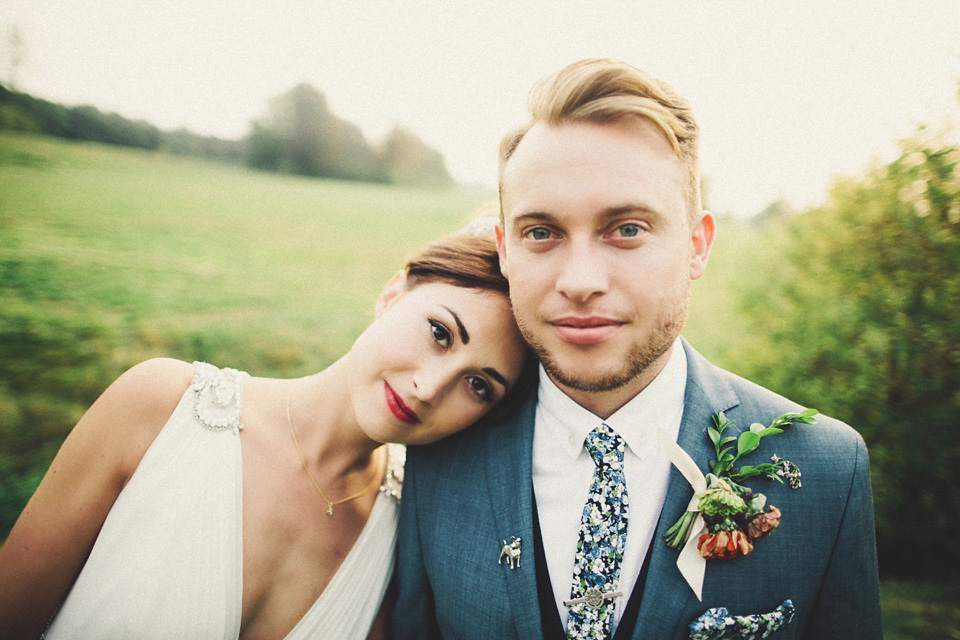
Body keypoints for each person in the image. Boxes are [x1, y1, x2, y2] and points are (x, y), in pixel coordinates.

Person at [390, 58, 882, 639]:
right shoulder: (440, 449)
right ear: (504, 251)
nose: (579, 280)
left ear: (696, 246)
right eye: (541, 232)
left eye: (626, 229)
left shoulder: (828, 469)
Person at [0, 227, 534, 640]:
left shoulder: (403, 534)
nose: (428, 387)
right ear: (393, 294)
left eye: (479, 386)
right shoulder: (162, 408)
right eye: (440, 333)